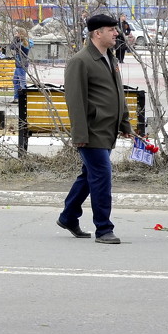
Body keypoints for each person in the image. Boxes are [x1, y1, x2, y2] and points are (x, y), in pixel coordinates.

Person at [56, 13, 133, 245]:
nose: (116, 33)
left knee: (89, 176)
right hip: (92, 132)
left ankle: (68, 217)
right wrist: (80, 135)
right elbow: (75, 101)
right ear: (97, 33)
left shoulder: (110, 58)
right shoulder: (80, 61)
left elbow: (119, 94)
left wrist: (125, 122)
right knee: (102, 177)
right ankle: (104, 229)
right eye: (112, 30)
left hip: (107, 130)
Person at [10, 27, 32, 102]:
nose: (15, 34)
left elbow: (14, 47)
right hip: (18, 64)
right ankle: (16, 97)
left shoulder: (24, 43)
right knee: (15, 81)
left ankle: (24, 98)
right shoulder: (18, 41)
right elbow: (12, 47)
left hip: (22, 64)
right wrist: (15, 38)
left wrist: (15, 39)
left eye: (17, 33)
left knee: (22, 81)